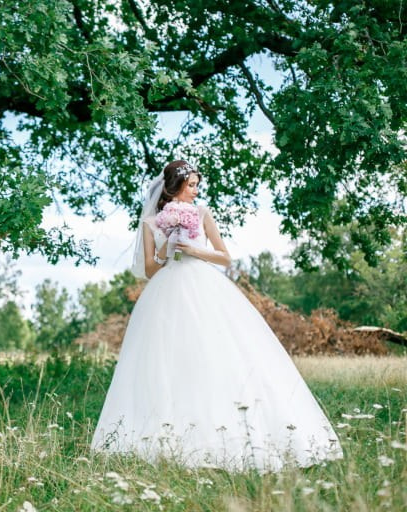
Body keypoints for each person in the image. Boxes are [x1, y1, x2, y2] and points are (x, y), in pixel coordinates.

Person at [90, 160, 344, 472]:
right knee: (164, 359)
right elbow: (149, 268)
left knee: (214, 352)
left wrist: (191, 250)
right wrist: (167, 251)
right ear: (173, 187)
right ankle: (162, 433)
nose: (195, 191)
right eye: (191, 185)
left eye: (197, 185)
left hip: (204, 285)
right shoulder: (151, 222)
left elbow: (224, 257)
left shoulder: (202, 213)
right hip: (165, 291)